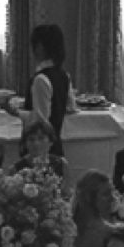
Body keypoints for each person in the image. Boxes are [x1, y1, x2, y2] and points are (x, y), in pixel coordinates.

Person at [26, 21, 71, 161]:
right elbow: (71, 107)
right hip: (56, 146)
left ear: (39, 48)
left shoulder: (41, 79)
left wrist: (15, 112)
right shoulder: (64, 75)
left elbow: (40, 121)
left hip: (42, 149)